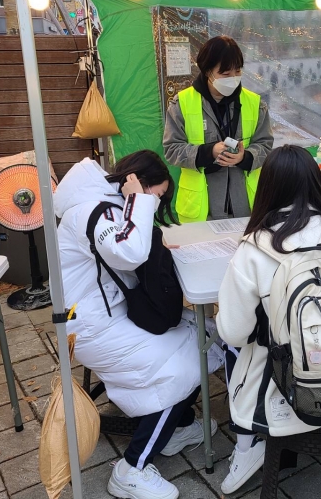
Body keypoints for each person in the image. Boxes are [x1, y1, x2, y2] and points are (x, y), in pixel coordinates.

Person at [216, 145, 321, 495]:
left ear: (267, 188)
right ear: (316, 183)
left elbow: (233, 333)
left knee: (246, 352)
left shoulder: (253, 248)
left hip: (284, 390)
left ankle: (247, 451)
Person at [54, 151, 224, 499]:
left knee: (206, 336)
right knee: (184, 366)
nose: (157, 202)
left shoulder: (104, 204)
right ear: (137, 184)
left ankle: (176, 427)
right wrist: (139, 201)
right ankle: (131, 469)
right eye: (157, 195)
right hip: (89, 327)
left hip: (112, 313)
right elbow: (127, 253)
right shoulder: (92, 209)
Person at [163, 35, 273, 222]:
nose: (233, 78)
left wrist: (245, 157)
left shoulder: (255, 103)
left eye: (237, 72)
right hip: (200, 210)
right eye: (225, 74)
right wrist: (209, 151)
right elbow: (172, 149)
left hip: (248, 207)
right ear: (207, 71)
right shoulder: (181, 103)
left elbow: (265, 145)